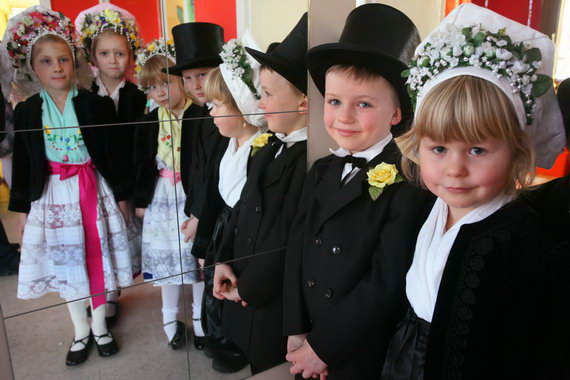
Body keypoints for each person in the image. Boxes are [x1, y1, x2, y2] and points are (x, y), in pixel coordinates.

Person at [380, 4, 569, 379]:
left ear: (517, 150)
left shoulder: (516, 238)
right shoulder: (433, 204)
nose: (455, 168)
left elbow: (521, 344)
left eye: (477, 150)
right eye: (439, 149)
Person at [282, 5, 429, 379]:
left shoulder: (409, 180)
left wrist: (325, 346)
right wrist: (296, 327)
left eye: (363, 104)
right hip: (311, 333)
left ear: (396, 113)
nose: (343, 117)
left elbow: (386, 281)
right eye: (334, 102)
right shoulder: (321, 171)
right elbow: (297, 249)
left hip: (359, 347)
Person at [2, 5, 133, 366]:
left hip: (94, 189)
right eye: (46, 61)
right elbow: (27, 163)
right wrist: (22, 210)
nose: (57, 68)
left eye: (62, 59)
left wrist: (121, 197)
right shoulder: (28, 111)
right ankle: (80, 329)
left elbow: (112, 154)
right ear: (32, 67)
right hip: (53, 195)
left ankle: (102, 325)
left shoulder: (95, 105)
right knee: (69, 265)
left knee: (98, 259)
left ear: (74, 61)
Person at [212, 13, 310, 375]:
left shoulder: (308, 164)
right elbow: (239, 211)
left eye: (268, 94)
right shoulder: (266, 149)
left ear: (302, 102)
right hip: (242, 282)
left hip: (270, 300)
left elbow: (285, 240)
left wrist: (247, 287)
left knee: (271, 368)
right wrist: (222, 259)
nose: (261, 102)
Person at [193, 34, 268, 373]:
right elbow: (215, 196)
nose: (210, 112)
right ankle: (219, 335)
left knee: (234, 285)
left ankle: (235, 343)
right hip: (223, 225)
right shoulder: (228, 145)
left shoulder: (258, 151)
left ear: (241, 106)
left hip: (242, 229)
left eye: (217, 106)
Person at [75, 2, 147, 324]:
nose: (113, 61)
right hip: (99, 178)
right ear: (93, 57)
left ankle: (126, 280)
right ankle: (108, 294)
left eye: (120, 53)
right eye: (105, 54)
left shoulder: (139, 95)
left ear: (130, 56)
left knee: (130, 230)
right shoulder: (84, 96)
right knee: (102, 235)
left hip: (131, 172)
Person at [133, 40, 205, 350]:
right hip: (162, 197)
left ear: (180, 80)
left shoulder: (200, 116)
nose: (160, 92)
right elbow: (141, 162)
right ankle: (169, 319)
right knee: (168, 265)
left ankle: (201, 320)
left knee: (195, 262)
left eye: (165, 83)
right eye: (151, 88)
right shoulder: (150, 121)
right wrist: (140, 201)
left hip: (190, 198)